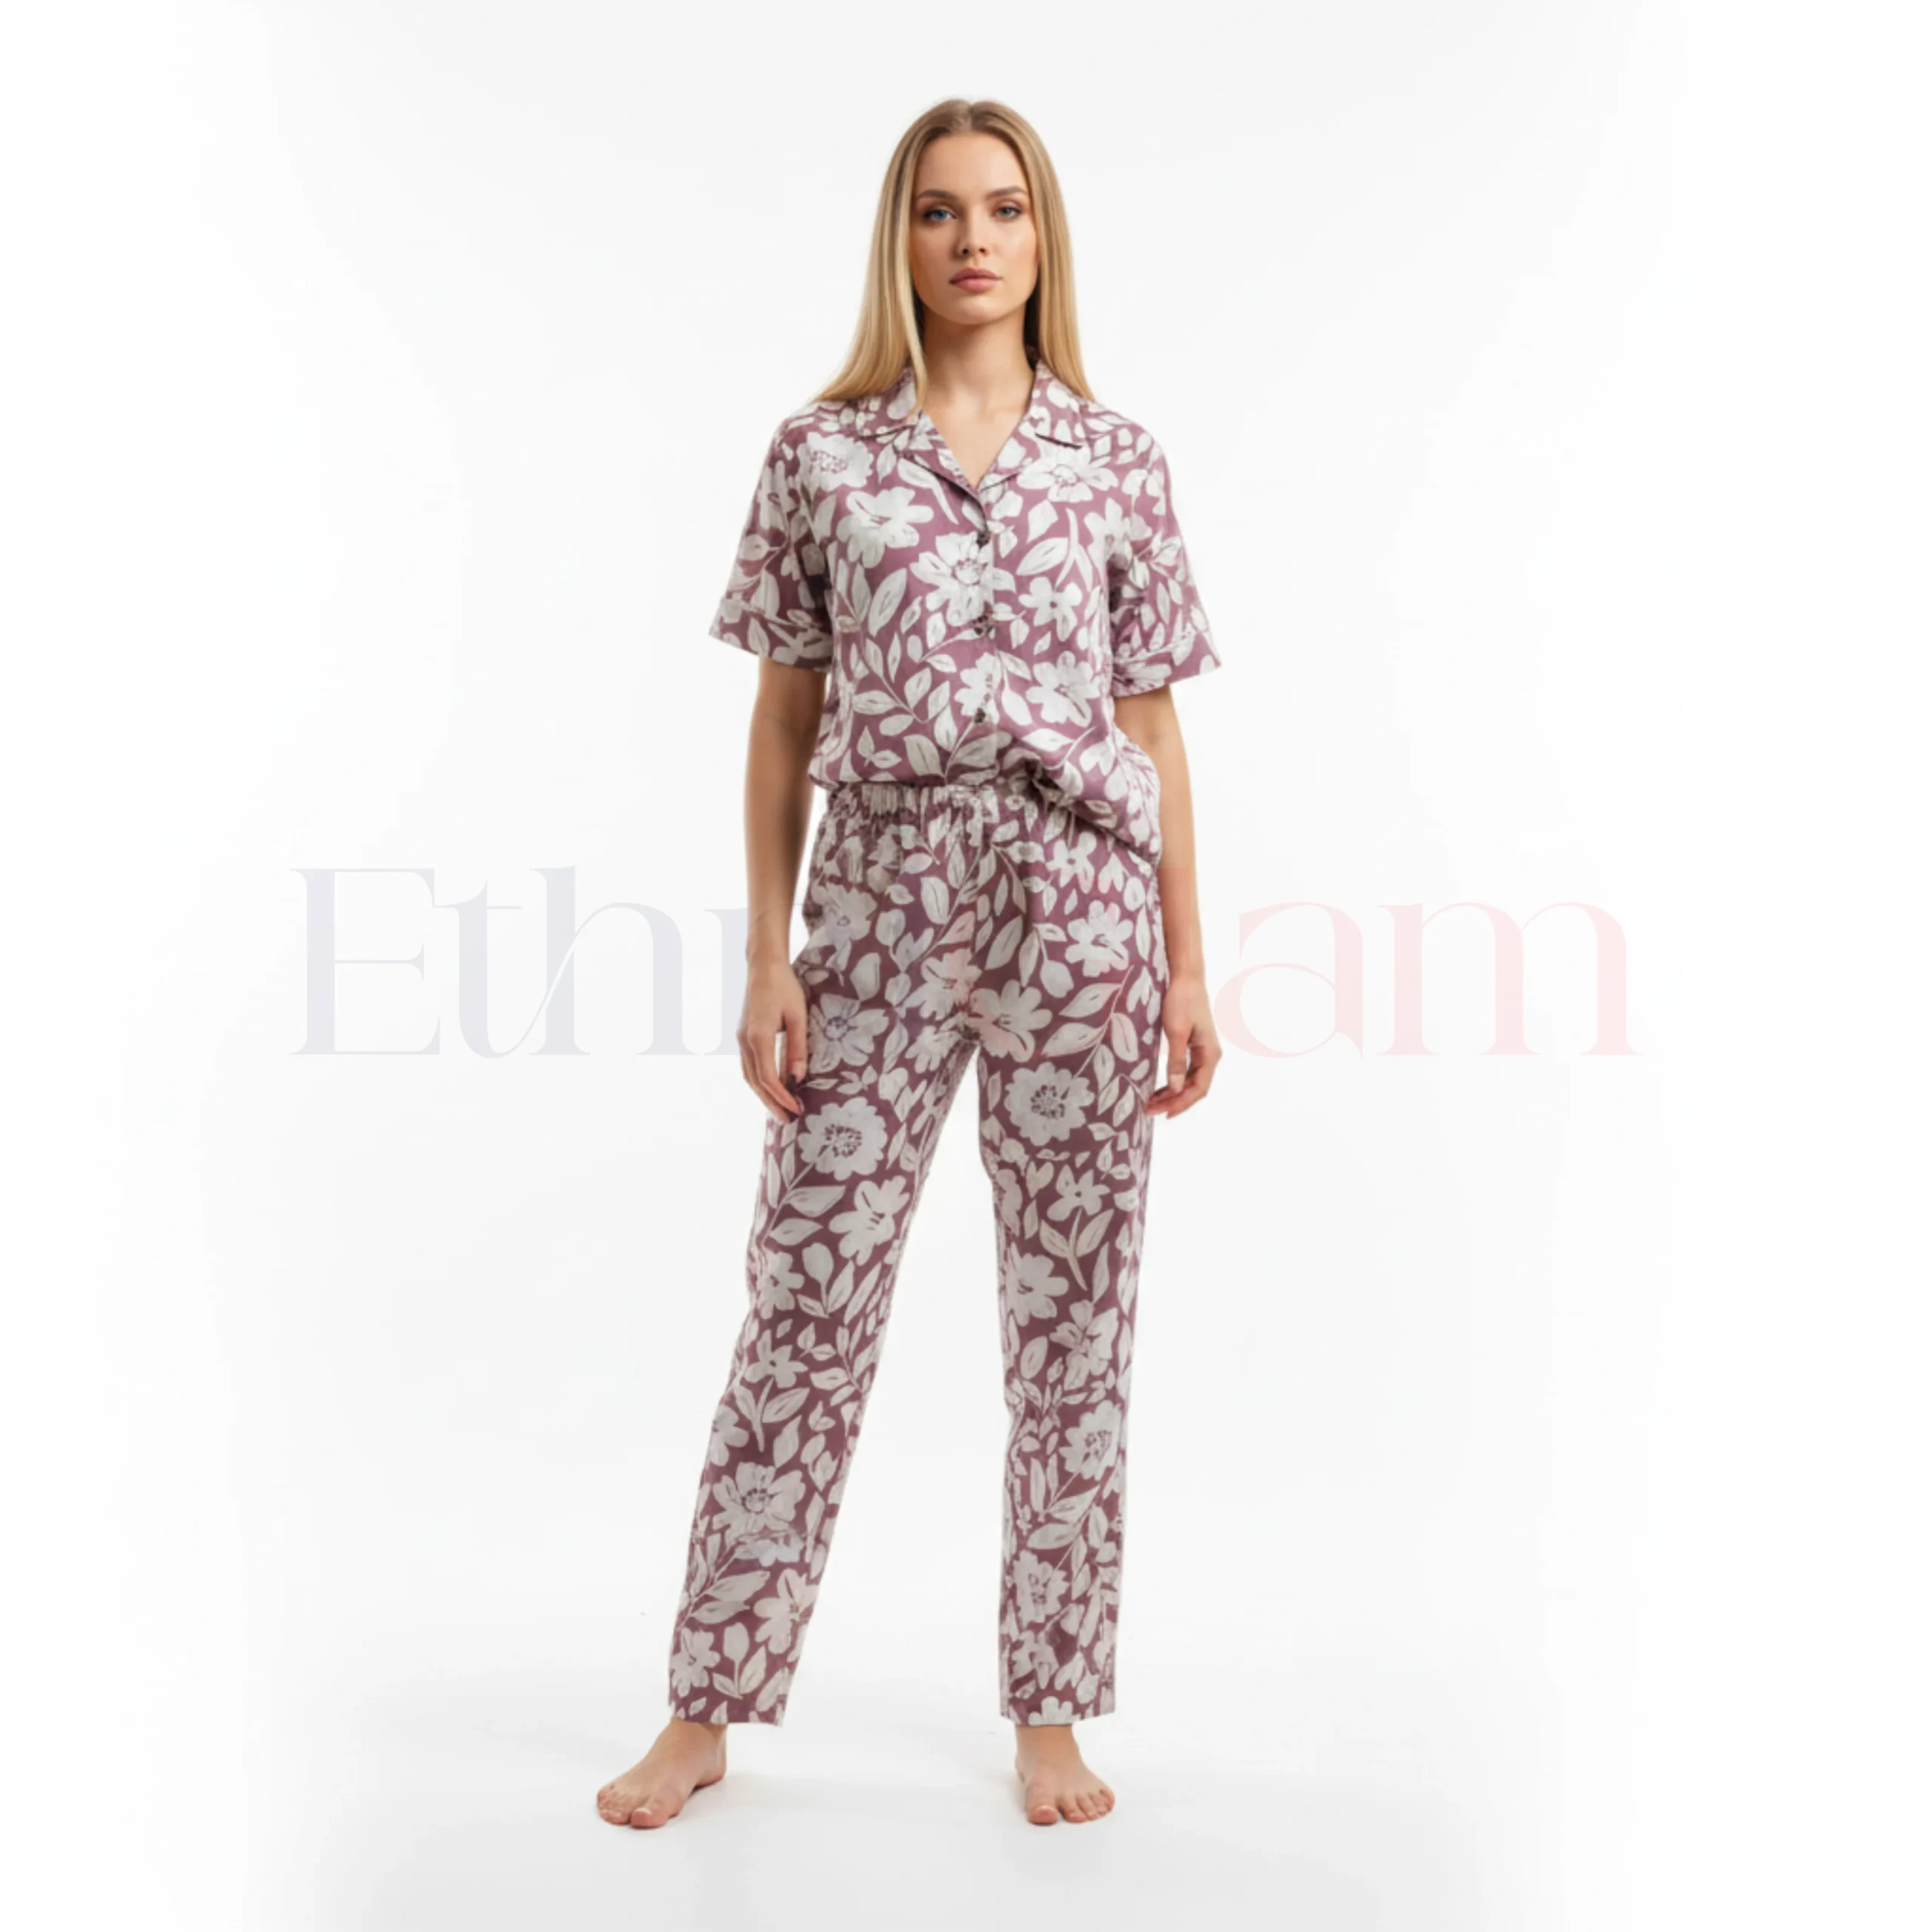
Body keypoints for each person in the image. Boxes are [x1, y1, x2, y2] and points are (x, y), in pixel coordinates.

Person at [597, 95, 1223, 1832]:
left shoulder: (1115, 458)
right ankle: (703, 1706)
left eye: (1002, 209)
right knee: (803, 1308)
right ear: (902, 236)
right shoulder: (823, 456)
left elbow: (1151, 728)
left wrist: (1185, 964)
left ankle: (1050, 1710)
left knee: (1072, 1322)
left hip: (1080, 914)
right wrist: (765, 955)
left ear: (1041, 235)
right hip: (875, 912)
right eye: (940, 211)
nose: (972, 240)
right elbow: (779, 720)